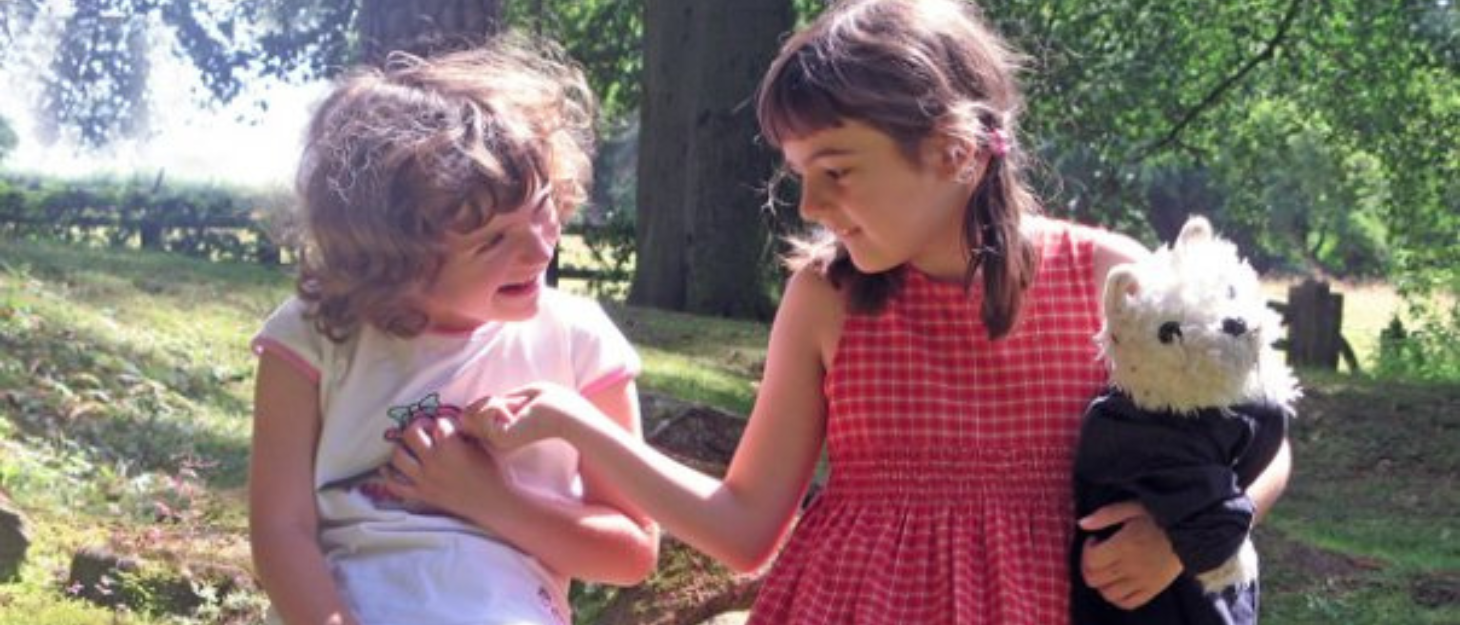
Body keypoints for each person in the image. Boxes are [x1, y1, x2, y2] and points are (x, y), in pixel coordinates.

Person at [464, 1, 1291, 623]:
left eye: (837, 169)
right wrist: (578, 421)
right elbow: (745, 527)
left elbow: (1261, 439)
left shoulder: (1112, 279)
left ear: (955, 150)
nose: (813, 203)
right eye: (798, 174)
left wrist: (1190, 534)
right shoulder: (825, 301)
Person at [247, 36, 658, 625]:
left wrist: (489, 499)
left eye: (541, 208)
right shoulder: (314, 338)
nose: (540, 247)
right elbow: (280, 530)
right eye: (493, 240)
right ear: (399, 260)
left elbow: (632, 552)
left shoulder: (579, 343)